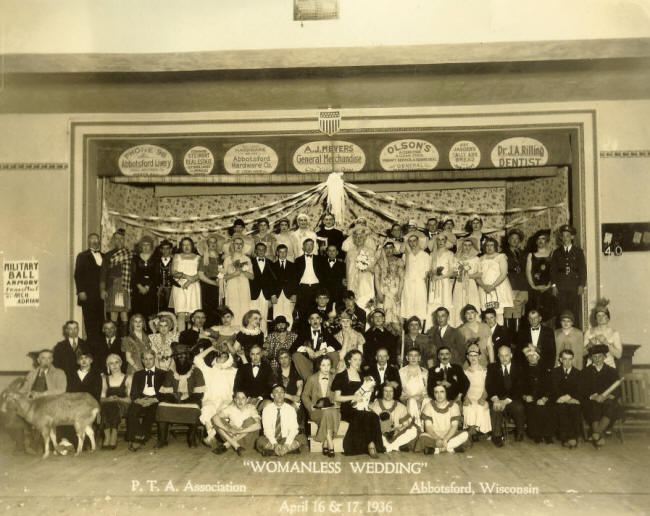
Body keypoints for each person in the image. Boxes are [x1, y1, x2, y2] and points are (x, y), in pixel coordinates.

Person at [332, 350, 385, 457]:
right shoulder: (341, 376)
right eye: (355, 359)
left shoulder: (363, 376)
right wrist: (353, 397)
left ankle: (373, 445)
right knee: (363, 415)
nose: (358, 362)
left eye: (360, 360)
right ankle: (370, 445)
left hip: (362, 406)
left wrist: (370, 393)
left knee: (373, 416)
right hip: (348, 408)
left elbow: (368, 393)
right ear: (349, 360)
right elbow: (337, 397)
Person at [156, 343, 205, 448]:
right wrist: (175, 398)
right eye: (178, 356)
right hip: (174, 399)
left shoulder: (196, 371)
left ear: (188, 356)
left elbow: (199, 394)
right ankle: (162, 439)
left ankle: (191, 438)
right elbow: (165, 392)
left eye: (184, 355)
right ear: (175, 358)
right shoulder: (171, 372)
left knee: (195, 407)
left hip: (191, 399)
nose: (181, 357)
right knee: (161, 406)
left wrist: (185, 399)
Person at [193, 346, 237, 447]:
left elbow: (245, 367)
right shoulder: (208, 370)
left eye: (225, 357)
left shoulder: (233, 371)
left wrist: (231, 352)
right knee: (206, 410)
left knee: (224, 412)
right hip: (210, 400)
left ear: (229, 359)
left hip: (226, 401)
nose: (222, 358)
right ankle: (211, 434)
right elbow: (197, 359)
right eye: (220, 356)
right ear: (215, 358)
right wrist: (211, 348)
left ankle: (214, 436)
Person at [126, 350, 166, 452]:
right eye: (145, 359)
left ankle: (138, 439)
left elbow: (165, 392)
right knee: (132, 411)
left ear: (154, 359)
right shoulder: (138, 374)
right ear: (142, 361)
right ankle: (139, 437)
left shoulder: (163, 374)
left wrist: (154, 399)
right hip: (141, 398)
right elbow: (133, 392)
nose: (148, 362)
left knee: (151, 413)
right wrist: (138, 400)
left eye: (150, 359)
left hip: (155, 400)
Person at [582, 344, 621, 448]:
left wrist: (607, 396)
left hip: (608, 400)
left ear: (605, 357)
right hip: (592, 401)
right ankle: (599, 435)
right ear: (591, 358)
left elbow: (618, 390)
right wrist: (593, 396)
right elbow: (582, 389)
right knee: (594, 406)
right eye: (594, 357)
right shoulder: (586, 372)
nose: (597, 359)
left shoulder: (612, 371)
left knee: (610, 406)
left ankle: (596, 434)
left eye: (600, 356)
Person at [486, 345, 526, 447]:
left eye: (506, 355)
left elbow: (519, 388)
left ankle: (520, 432)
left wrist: (505, 401)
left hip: (512, 398)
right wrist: (496, 399)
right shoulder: (492, 368)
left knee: (519, 407)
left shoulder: (519, 367)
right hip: (497, 398)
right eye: (501, 355)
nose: (504, 358)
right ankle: (497, 436)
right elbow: (489, 386)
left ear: (511, 355)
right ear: (498, 356)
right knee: (496, 408)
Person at [302, 355, 340, 457]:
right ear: (319, 366)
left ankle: (326, 442)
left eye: (328, 365)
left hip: (332, 410)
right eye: (323, 365)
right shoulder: (312, 379)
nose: (326, 368)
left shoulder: (334, 378)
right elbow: (304, 396)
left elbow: (338, 395)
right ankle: (329, 441)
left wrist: (336, 403)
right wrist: (310, 405)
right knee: (328, 413)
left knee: (329, 412)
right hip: (316, 411)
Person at [256, 384, 308, 456]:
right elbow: (267, 430)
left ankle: (274, 452)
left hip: (286, 439)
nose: (279, 394)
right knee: (259, 441)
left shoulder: (290, 409)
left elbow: (294, 429)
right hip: (272, 440)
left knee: (303, 438)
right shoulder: (267, 410)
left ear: (284, 395)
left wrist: (287, 444)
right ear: (272, 395)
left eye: (282, 392)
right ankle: (287, 451)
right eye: (276, 392)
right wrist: (275, 444)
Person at [550, 224, 587, 327]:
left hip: (574, 287)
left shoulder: (578, 252)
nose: (565, 238)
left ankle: (575, 334)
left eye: (568, 235)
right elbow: (553, 270)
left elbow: (583, 270)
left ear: (572, 237)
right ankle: (559, 334)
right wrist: (554, 285)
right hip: (560, 287)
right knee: (560, 312)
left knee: (574, 311)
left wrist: (581, 285)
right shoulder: (557, 252)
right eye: (563, 236)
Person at [416, 385, 469, 454]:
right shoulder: (428, 406)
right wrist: (437, 439)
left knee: (465, 434)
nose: (439, 395)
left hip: (450, 436)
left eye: (442, 392)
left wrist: (445, 439)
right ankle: (451, 448)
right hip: (433, 437)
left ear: (446, 392)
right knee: (422, 437)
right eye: (436, 392)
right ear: (433, 393)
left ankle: (437, 450)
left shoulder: (454, 406)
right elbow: (428, 427)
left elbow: (454, 426)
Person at [291, 312, 341, 380]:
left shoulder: (326, 332)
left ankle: (330, 379)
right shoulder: (304, 332)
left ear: (320, 320)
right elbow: (293, 348)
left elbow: (338, 346)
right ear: (309, 321)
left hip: (323, 363)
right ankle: (310, 381)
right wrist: (306, 349)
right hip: (308, 363)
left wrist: (323, 350)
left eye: (317, 318)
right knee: (296, 355)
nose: (315, 321)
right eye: (312, 319)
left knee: (335, 354)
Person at [74, 232, 105, 342]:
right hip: (88, 295)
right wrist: (81, 291)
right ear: (88, 242)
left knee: (101, 322)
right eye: (92, 239)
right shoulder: (82, 256)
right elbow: (78, 275)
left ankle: (101, 346)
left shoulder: (104, 256)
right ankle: (91, 346)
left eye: (96, 240)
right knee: (90, 322)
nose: (94, 242)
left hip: (101, 296)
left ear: (99, 241)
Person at [100, 229, 132, 331]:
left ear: (124, 240)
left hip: (125, 286)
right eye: (116, 239)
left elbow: (133, 272)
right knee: (113, 313)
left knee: (124, 313)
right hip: (113, 285)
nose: (119, 241)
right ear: (113, 240)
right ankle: (113, 337)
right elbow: (103, 273)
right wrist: (102, 289)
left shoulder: (129, 254)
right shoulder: (108, 255)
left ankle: (124, 338)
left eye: (121, 239)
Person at [551, 349, 584, 449]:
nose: (567, 362)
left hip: (572, 399)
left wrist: (569, 397)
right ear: (560, 360)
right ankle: (566, 438)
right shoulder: (555, 372)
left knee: (575, 408)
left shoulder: (578, 373)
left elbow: (579, 390)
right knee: (562, 409)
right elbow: (554, 388)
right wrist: (564, 398)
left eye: (570, 359)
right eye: (565, 359)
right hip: (558, 400)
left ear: (573, 360)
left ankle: (572, 437)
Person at [212, 390, 261, 456]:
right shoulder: (230, 408)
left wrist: (239, 431)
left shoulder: (251, 408)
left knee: (250, 421)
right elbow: (215, 418)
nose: (240, 401)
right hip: (232, 435)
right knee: (217, 421)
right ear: (235, 399)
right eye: (238, 398)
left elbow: (258, 426)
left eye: (243, 398)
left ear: (247, 399)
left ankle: (227, 445)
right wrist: (228, 429)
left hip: (248, 441)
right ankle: (237, 446)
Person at [370, 384, 417, 453]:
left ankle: (388, 447)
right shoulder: (375, 405)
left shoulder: (400, 406)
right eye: (386, 391)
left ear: (394, 392)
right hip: (381, 434)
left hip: (396, 435)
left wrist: (398, 430)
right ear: (382, 392)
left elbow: (406, 424)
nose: (388, 394)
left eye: (391, 391)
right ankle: (396, 447)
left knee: (413, 430)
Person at [478, 237, 514, 326]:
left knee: (498, 312)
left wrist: (492, 286)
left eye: (492, 245)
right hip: (485, 289)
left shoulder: (500, 257)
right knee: (486, 312)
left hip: (498, 287)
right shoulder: (481, 259)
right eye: (487, 245)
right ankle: (487, 332)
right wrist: (484, 286)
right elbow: (477, 275)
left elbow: (503, 274)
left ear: (495, 246)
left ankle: (499, 331)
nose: (489, 247)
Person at [521, 346, 554, 444]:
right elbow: (519, 387)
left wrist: (544, 398)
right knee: (532, 407)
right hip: (529, 397)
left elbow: (550, 386)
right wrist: (525, 396)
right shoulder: (523, 370)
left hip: (543, 397)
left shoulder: (545, 370)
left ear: (538, 357)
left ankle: (547, 435)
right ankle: (536, 434)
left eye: (534, 356)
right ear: (527, 358)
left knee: (546, 407)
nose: (532, 358)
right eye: (529, 356)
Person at [99, 353, 132, 449]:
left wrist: (118, 399)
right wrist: (108, 399)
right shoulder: (105, 379)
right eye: (111, 363)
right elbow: (101, 399)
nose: (114, 365)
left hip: (123, 405)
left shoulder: (128, 378)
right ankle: (108, 435)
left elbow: (130, 400)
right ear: (107, 366)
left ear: (121, 363)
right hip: (108, 405)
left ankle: (113, 434)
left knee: (112, 405)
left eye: (116, 362)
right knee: (107, 404)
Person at [344, 224, 378, 313]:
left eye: (361, 237)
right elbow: (347, 270)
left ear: (365, 238)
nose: (358, 239)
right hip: (352, 284)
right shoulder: (350, 253)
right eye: (356, 237)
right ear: (353, 239)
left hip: (365, 284)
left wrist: (366, 268)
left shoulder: (370, 251)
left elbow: (375, 270)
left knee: (365, 306)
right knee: (352, 307)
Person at [171, 237, 202, 332]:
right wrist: (186, 276)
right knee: (181, 313)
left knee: (193, 315)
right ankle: (182, 337)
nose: (186, 247)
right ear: (181, 246)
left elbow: (200, 274)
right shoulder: (177, 256)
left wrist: (190, 281)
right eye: (184, 245)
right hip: (180, 286)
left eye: (188, 244)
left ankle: (192, 336)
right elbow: (173, 272)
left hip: (194, 286)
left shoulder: (198, 258)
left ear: (192, 245)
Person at [526, 229, 557, 324]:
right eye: (538, 239)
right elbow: (528, 272)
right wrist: (533, 286)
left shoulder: (552, 254)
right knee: (535, 312)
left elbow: (554, 271)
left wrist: (548, 286)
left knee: (549, 313)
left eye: (543, 239)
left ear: (546, 241)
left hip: (548, 289)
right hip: (535, 290)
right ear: (536, 241)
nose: (541, 241)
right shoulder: (531, 255)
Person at [223, 236, 254, 329]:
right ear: (233, 245)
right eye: (236, 243)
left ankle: (244, 331)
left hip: (244, 286)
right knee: (233, 307)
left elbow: (252, 276)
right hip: (232, 286)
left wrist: (242, 271)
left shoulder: (247, 259)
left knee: (244, 307)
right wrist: (234, 274)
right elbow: (223, 277)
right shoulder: (228, 259)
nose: (238, 246)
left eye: (240, 244)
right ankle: (232, 331)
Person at [462, 343, 492, 438]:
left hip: (481, 395)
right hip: (470, 396)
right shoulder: (465, 372)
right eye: (470, 355)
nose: (473, 358)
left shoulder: (485, 371)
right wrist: (465, 398)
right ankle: (472, 430)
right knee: (469, 406)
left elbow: (487, 387)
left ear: (479, 356)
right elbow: (463, 388)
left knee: (480, 406)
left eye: (475, 355)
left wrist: (483, 397)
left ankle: (481, 430)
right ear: (467, 357)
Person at [450, 238, 482, 327]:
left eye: (469, 245)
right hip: (459, 284)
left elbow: (479, 274)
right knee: (458, 304)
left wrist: (468, 276)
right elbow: (453, 272)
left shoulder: (476, 259)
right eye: (465, 245)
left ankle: (473, 326)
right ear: (461, 246)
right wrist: (459, 274)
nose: (467, 247)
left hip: (471, 284)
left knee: (472, 302)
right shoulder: (456, 258)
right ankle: (458, 327)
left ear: (472, 246)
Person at [426, 234, 455, 329]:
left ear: (446, 241)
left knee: (445, 302)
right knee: (433, 303)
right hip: (434, 283)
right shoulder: (432, 254)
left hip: (445, 283)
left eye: (443, 239)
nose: (440, 241)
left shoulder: (450, 254)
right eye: (438, 240)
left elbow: (452, 271)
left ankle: (447, 329)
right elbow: (429, 269)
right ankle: (432, 328)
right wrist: (432, 274)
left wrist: (441, 277)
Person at [400, 233, 429, 327]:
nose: (412, 243)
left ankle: (419, 329)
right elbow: (404, 270)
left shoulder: (425, 255)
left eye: (414, 241)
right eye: (410, 241)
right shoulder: (406, 256)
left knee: (420, 304)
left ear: (418, 241)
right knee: (408, 305)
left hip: (420, 284)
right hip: (408, 284)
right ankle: (408, 329)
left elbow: (427, 272)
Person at [294, 238, 326, 322]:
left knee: (316, 312)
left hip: (316, 288)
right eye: (307, 245)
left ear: (313, 247)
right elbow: (295, 278)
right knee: (303, 313)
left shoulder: (320, 259)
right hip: (303, 289)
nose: (309, 247)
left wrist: (322, 289)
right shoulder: (298, 260)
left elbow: (323, 276)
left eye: (311, 245)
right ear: (303, 247)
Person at [584, 299, 622, 369]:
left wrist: (606, 343)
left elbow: (618, 355)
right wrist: (590, 344)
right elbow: (583, 353)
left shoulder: (614, 333)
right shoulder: (589, 332)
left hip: (608, 367)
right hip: (591, 367)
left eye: (603, 315)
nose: (601, 318)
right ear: (595, 318)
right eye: (598, 316)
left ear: (608, 318)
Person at [503, 229, 528, 333]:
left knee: (519, 311)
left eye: (517, 239)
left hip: (522, 285)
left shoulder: (523, 253)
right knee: (508, 310)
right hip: (509, 285)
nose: (514, 241)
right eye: (512, 238)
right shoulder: (503, 253)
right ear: (508, 240)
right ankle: (508, 335)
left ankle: (517, 335)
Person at [375, 241, 404, 330]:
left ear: (393, 249)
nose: (389, 250)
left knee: (396, 317)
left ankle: (397, 336)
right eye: (386, 248)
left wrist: (399, 293)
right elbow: (376, 279)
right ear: (383, 249)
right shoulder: (379, 262)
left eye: (390, 247)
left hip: (395, 292)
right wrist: (379, 293)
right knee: (384, 317)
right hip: (384, 292)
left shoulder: (399, 261)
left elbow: (402, 278)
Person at [249, 242, 277, 335]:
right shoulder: (250, 262)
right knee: (252, 316)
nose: (261, 251)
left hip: (265, 294)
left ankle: (264, 337)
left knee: (264, 317)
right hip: (253, 293)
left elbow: (273, 280)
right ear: (256, 251)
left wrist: (273, 294)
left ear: (265, 251)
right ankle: (253, 336)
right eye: (259, 249)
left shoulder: (270, 263)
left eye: (263, 249)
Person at [399, 348, 429, 431]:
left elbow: (427, 389)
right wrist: (410, 397)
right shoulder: (401, 372)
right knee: (412, 401)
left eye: (416, 355)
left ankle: (426, 427)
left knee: (427, 401)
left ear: (419, 358)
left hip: (421, 398)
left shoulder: (425, 372)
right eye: (411, 355)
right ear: (407, 357)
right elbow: (400, 391)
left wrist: (421, 397)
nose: (413, 358)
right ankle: (415, 428)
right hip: (407, 399)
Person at [197, 234, 225, 327]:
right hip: (208, 285)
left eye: (214, 242)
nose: (213, 244)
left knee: (219, 308)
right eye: (210, 242)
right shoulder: (204, 257)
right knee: (209, 309)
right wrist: (214, 283)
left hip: (219, 284)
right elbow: (201, 275)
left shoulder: (220, 257)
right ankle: (208, 329)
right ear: (207, 244)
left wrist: (221, 282)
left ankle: (217, 329)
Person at [131, 235, 159, 323]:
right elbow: (133, 274)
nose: (146, 247)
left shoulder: (156, 259)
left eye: (148, 244)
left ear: (151, 246)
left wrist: (147, 287)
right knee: (138, 312)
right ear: (141, 246)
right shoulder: (135, 258)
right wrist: (140, 287)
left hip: (151, 289)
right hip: (138, 289)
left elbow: (156, 275)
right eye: (144, 245)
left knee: (150, 314)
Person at [269, 244, 298, 329]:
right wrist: (273, 295)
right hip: (277, 294)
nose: (282, 254)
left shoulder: (292, 265)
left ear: (287, 253)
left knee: (288, 314)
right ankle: (277, 334)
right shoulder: (272, 266)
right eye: (280, 252)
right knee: (276, 314)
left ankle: (288, 333)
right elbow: (270, 282)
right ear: (277, 253)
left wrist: (294, 294)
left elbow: (295, 281)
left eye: (284, 252)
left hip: (289, 294)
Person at [53, 320, 90, 386]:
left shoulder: (86, 345)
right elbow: (56, 364)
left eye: (75, 328)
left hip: (83, 379)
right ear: (66, 330)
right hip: (66, 379)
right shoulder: (60, 346)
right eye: (70, 329)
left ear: (78, 329)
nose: (73, 331)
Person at [155, 239, 176, 313]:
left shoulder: (174, 261)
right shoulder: (157, 261)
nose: (165, 251)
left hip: (171, 288)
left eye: (167, 248)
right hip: (159, 288)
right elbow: (155, 275)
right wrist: (157, 285)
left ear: (171, 249)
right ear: (161, 250)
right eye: (163, 248)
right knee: (159, 307)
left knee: (170, 308)